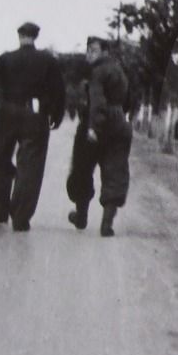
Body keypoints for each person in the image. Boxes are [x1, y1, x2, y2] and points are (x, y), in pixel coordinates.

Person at [0, 22, 65, 231]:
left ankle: (0, 211)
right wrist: (57, 115)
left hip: (7, 113)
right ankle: (21, 217)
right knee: (30, 165)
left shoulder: (5, 59)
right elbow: (59, 90)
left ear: (19, 36)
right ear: (36, 37)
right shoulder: (48, 61)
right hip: (35, 115)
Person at [66, 36, 132, 237]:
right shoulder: (120, 70)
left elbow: (97, 101)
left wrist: (94, 127)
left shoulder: (96, 72)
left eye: (93, 50)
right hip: (119, 124)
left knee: (82, 169)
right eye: (88, 50)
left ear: (105, 52)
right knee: (115, 171)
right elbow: (129, 99)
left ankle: (81, 216)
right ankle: (106, 224)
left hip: (95, 125)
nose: (89, 54)